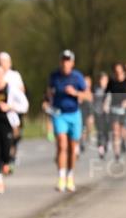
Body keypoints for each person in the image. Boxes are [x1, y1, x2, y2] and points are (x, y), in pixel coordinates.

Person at [43, 49, 89, 193]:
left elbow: (88, 95)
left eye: (68, 60)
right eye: (63, 60)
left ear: (72, 63)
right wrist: (45, 102)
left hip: (74, 114)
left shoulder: (77, 77)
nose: (65, 63)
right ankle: (61, 177)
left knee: (72, 147)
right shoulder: (54, 76)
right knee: (61, 145)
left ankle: (70, 176)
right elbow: (49, 92)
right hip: (59, 114)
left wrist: (75, 93)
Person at [0, 63, 29, 194]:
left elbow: (25, 105)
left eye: (0, 73)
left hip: (6, 123)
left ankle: (6, 163)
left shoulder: (11, 89)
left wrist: (10, 107)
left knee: (5, 152)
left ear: (4, 74)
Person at [0, 52, 26, 169]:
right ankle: (6, 159)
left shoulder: (15, 75)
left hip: (13, 111)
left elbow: (22, 92)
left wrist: (11, 105)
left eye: (4, 61)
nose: (2, 63)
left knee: (14, 135)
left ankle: (11, 154)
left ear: (9, 63)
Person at [105, 62, 126, 163]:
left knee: (123, 131)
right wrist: (105, 104)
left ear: (122, 71)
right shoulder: (111, 81)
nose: (118, 73)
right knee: (115, 131)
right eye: (116, 72)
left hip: (125, 108)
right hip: (114, 108)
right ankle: (116, 154)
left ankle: (125, 144)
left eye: (119, 71)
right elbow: (106, 93)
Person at [92, 72, 110, 159]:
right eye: (102, 79)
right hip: (97, 113)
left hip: (108, 114)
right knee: (99, 132)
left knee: (106, 132)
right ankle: (100, 149)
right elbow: (92, 100)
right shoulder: (95, 89)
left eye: (105, 80)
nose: (103, 81)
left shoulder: (110, 89)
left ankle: (105, 144)